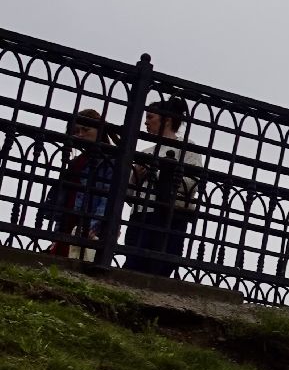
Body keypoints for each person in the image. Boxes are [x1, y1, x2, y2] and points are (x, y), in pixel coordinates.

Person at [124, 96, 205, 278]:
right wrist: (136, 175)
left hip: (169, 214)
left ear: (167, 119)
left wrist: (158, 174)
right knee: (133, 263)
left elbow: (192, 182)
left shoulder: (187, 147)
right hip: (141, 212)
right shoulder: (146, 152)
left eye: (150, 117)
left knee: (162, 265)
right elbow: (128, 192)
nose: (146, 122)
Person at [42, 109, 119, 261]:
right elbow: (64, 197)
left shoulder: (110, 161)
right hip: (69, 222)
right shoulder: (78, 161)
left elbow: (108, 198)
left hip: (87, 226)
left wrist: (94, 225)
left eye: (86, 129)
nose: (80, 134)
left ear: (100, 130)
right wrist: (57, 232)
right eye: (76, 131)